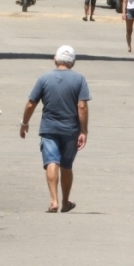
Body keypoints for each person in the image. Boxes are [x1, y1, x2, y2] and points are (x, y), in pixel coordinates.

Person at [20, 45, 91, 213]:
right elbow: (82, 107)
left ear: (55, 59)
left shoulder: (44, 79)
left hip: (49, 128)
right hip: (71, 129)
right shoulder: (79, 79)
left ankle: (54, 201)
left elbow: (31, 103)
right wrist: (84, 131)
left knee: (51, 161)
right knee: (66, 165)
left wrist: (24, 123)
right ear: (73, 62)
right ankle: (65, 201)